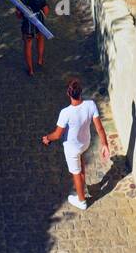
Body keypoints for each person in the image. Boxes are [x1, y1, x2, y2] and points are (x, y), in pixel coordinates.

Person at [42, 77, 109, 211]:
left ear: (68, 94)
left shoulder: (65, 113)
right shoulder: (90, 105)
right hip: (85, 143)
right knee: (81, 163)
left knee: (76, 173)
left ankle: (82, 201)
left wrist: (47, 138)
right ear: (80, 92)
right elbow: (99, 128)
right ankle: (82, 188)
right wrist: (105, 144)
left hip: (72, 149)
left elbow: (57, 134)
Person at [15, 0, 49, 77]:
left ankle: (30, 70)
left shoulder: (21, 0)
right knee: (40, 40)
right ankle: (39, 60)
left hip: (27, 27)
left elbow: (19, 16)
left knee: (28, 46)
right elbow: (46, 10)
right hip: (39, 25)